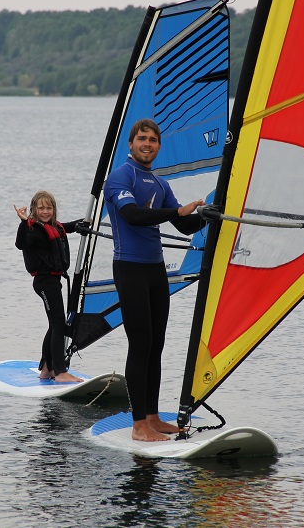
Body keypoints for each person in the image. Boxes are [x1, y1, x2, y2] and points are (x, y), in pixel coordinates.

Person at [104, 119, 206, 441]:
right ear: (131, 144)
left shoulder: (160, 184)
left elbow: (184, 226)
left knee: (156, 346)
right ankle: (138, 427)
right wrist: (178, 213)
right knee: (140, 344)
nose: (147, 144)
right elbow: (133, 214)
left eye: (153, 139)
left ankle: (152, 416)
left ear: (159, 147)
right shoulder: (121, 177)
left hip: (156, 271)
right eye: (142, 138)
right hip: (129, 268)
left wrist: (206, 213)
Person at [15, 190, 82, 383]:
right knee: (58, 323)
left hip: (54, 281)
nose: (45, 211)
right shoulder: (32, 230)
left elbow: (66, 227)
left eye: (49, 207)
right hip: (44, 283)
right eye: (41, 208)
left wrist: (84, 223)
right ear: (34, 210)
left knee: (55, 324)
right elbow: (20, 244)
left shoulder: (54, 227)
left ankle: (46, 369)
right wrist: (22, 221)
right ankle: (60, 372)